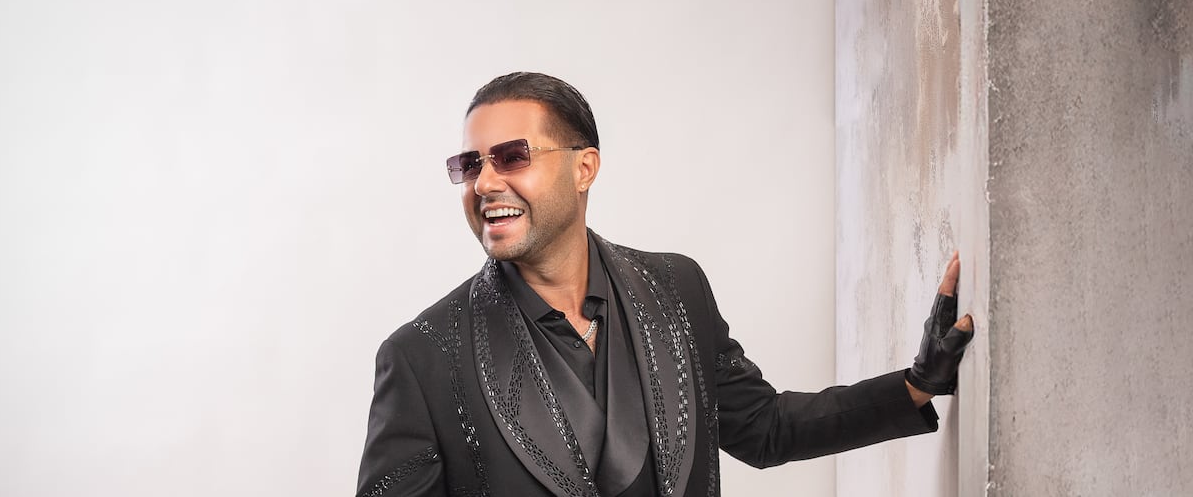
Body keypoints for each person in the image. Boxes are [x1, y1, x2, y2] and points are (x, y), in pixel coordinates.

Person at [356, 72, 974, 497]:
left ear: (584, 167)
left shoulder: (676, 290)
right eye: (469, 165)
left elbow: (765, 428)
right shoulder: (420, 358)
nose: (485, 182)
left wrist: (916, 385)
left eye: (511, 156)